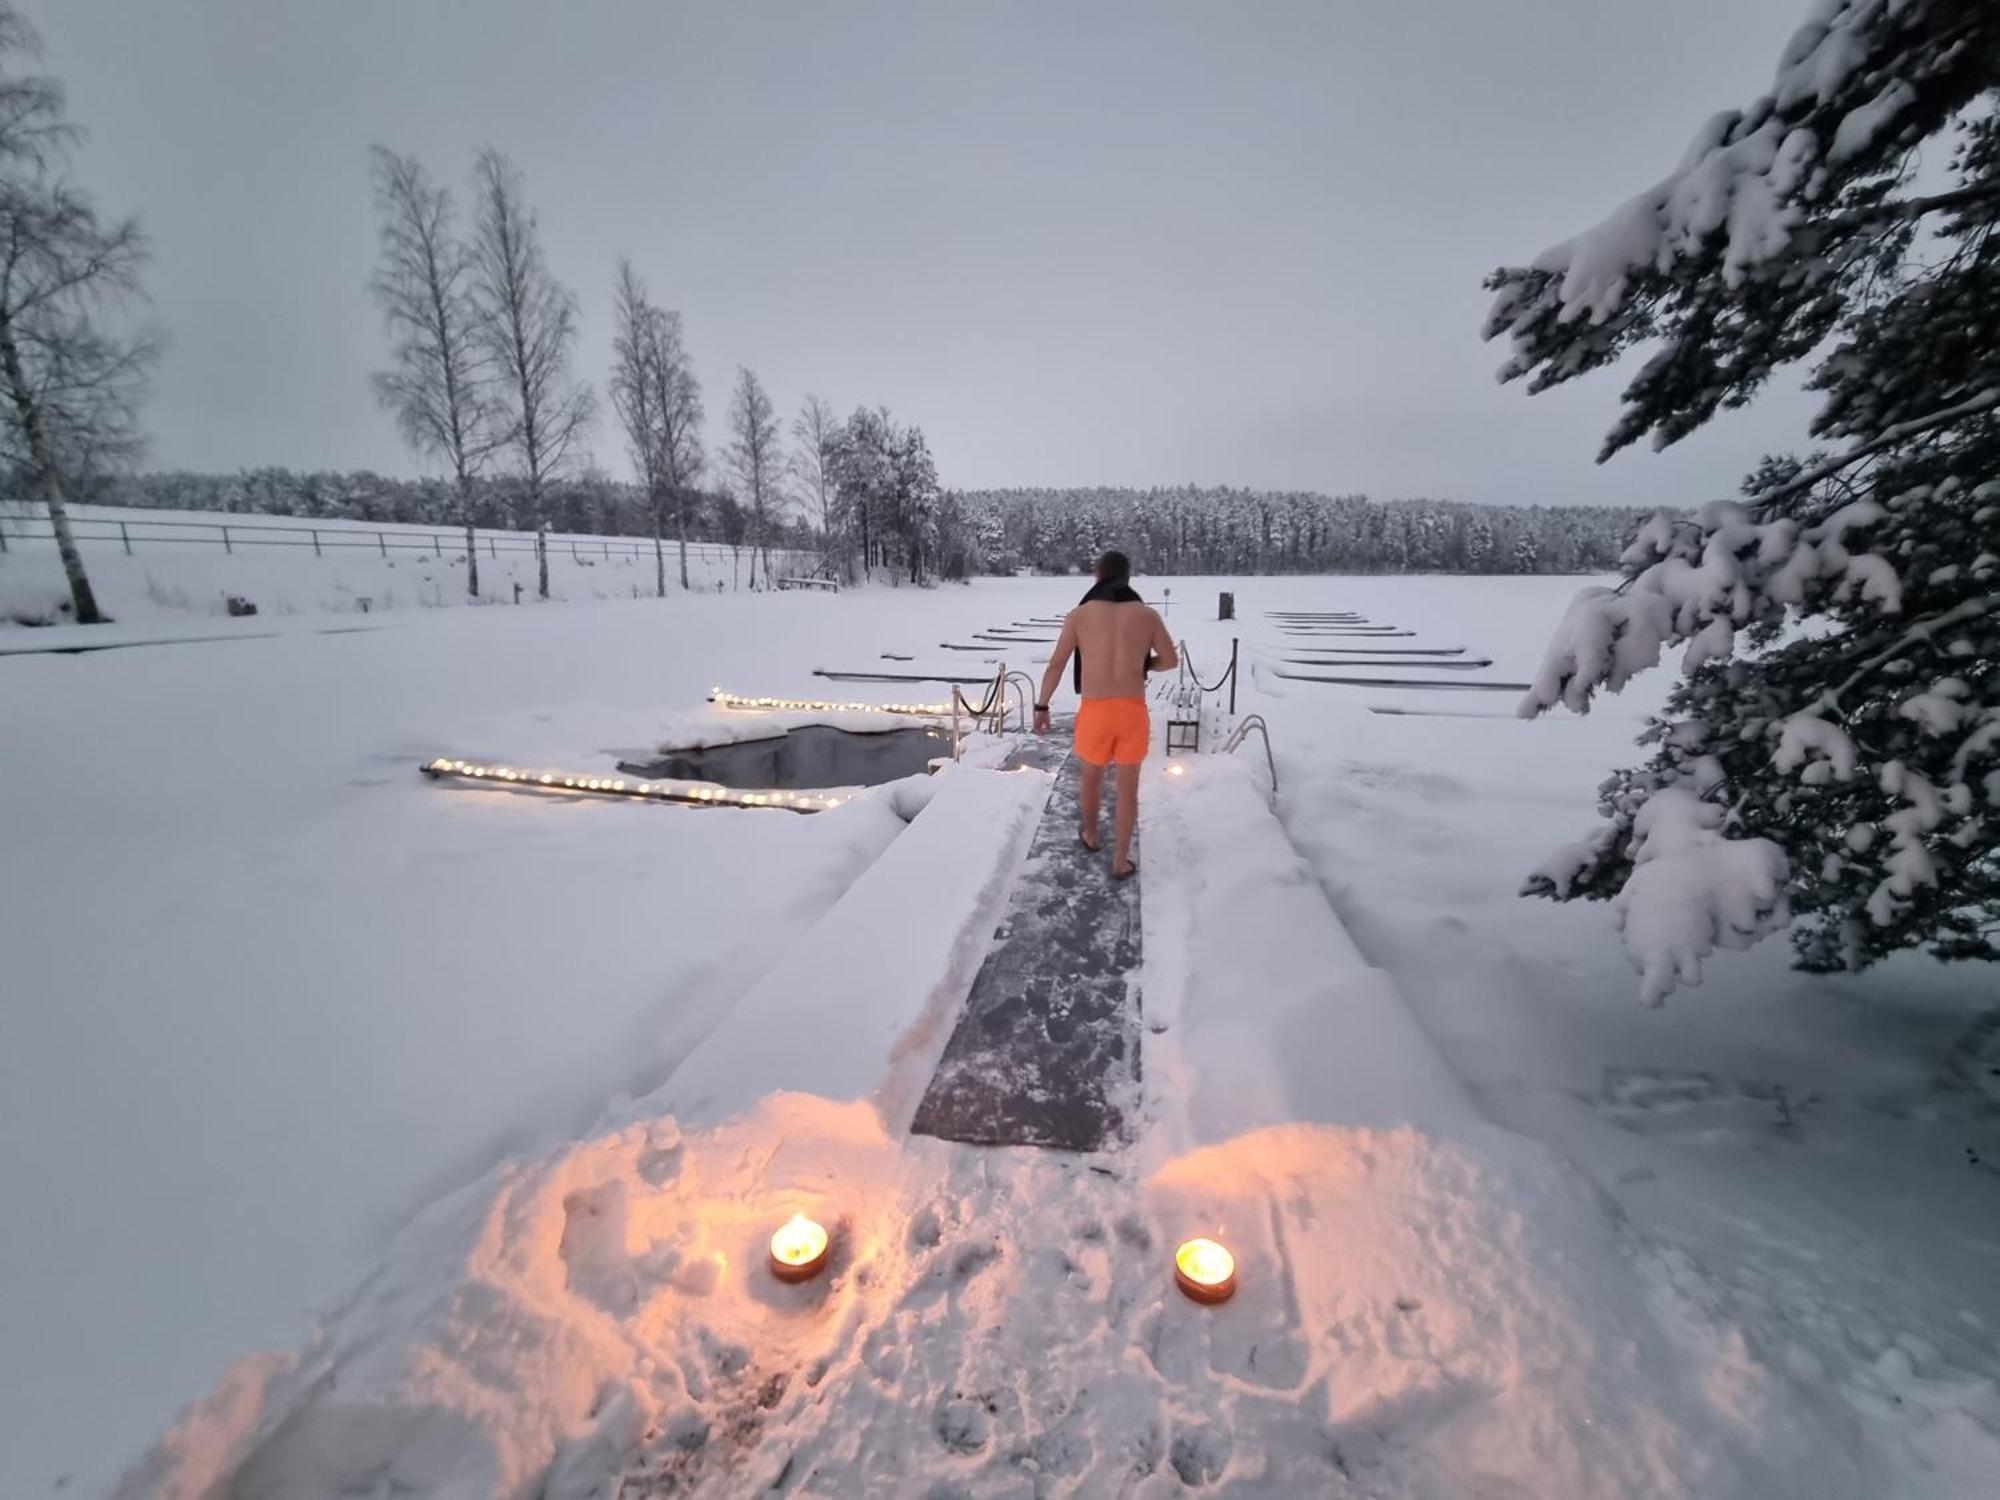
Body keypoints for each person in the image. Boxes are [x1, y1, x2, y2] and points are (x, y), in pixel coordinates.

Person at [1033, 551, 1178, 880]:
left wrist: (1042, 706)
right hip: (1132, 710)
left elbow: (1056, 664)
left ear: (1098, 574)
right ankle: (1120, 860)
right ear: (1128, 575)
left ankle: (1092, 834)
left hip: (1095, 711)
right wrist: (1142, 665)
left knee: (1091, 779)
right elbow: (1170, 660)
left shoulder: (1080, 615)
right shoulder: (1147, 615)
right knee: (1128, 789)